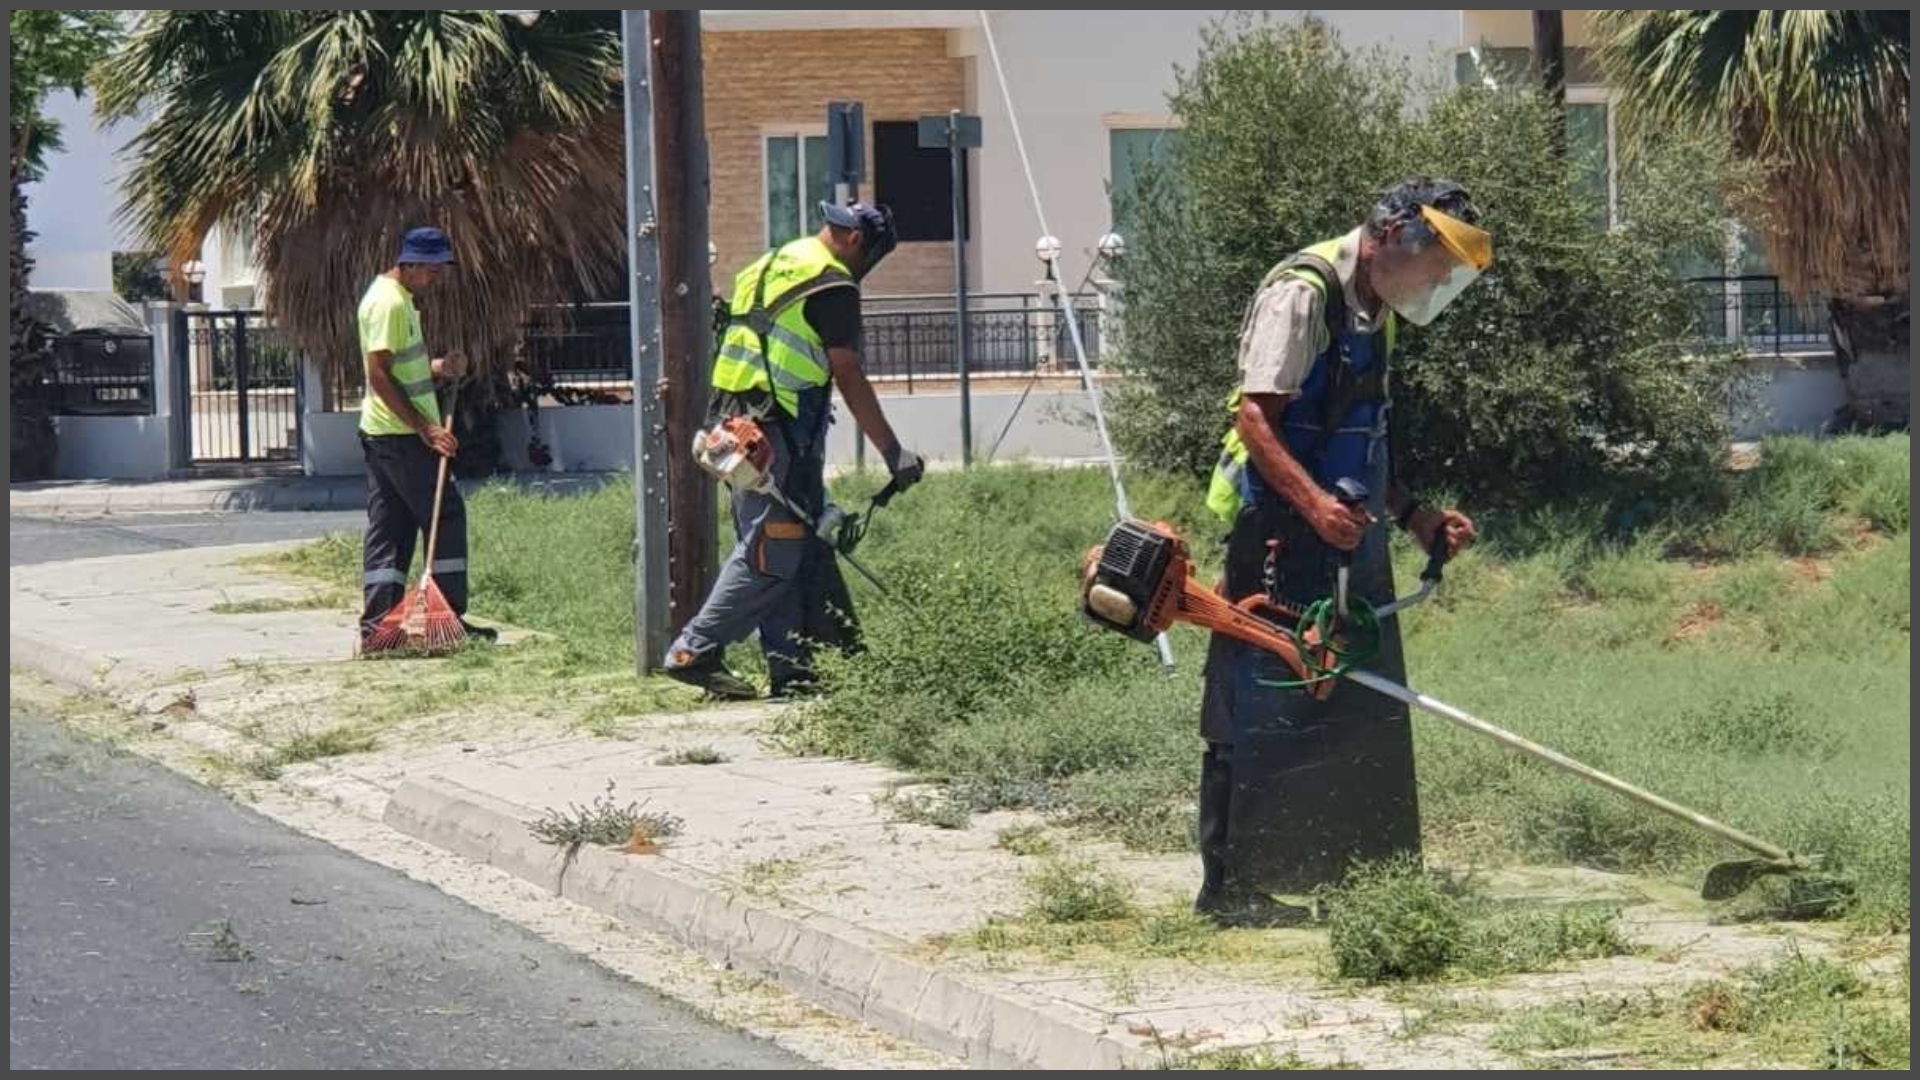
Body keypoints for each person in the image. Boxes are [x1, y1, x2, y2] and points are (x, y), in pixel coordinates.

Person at [1195, 179, 1493, 925]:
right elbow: (1257, 421)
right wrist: (1313, 505)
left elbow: (1361, 432)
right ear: (1393, 236)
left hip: (1341, 525)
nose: (1437, 283)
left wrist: (1414, 515)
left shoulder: (1378, 308)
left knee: (1351, 696)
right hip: (1273, 522)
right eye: (1436, 266)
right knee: (1259, 692)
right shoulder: (1304, 292)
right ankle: (1232, 888)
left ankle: (1352, 874)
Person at [664, 203, 924, 699]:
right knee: (770, 551)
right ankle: (692, 651)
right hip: (774, 432)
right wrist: (892, 452)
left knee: (781, 548)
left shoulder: (769, 264)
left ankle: (794, 672)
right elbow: (847, 372)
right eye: (870, 257)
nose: (864, 270)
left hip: (734, 424)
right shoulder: (832, 283)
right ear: (855, 242)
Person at [356, 226, 496, 652]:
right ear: (410, 263)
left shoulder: (401, 302)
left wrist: (439, 367)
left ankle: (379, 630)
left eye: (441, 270)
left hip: (386, 434)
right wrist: (425, 428)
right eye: (432, 270)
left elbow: (401, 366)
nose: (437, 278)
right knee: (446, 515)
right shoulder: (389, 303)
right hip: (400, 436)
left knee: (391, 529)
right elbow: (378, 374)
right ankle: (447, 620)